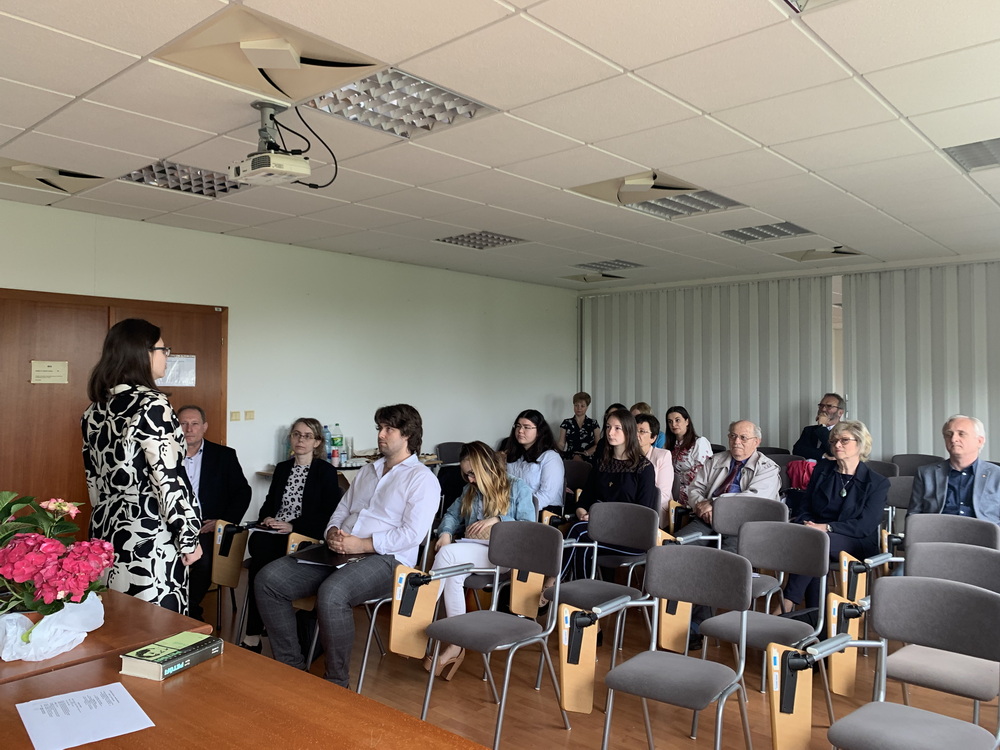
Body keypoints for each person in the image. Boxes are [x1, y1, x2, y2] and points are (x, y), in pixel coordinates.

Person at [255, 404, 439, 688]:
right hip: (341, 549)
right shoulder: (367, 471)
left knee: (333, 594)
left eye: (389, 429)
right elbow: (341, 510)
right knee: (268, 579)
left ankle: (337, 683)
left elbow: (412, 534)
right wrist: (331, 532)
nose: (381, 434)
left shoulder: (422, 479)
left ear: (408, 435)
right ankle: (291, 666)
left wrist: (362, 544)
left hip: (388, 559)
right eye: (379, 428)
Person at [82, 318, 202, 613]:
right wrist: (188, 537)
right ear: (142, 353)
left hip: (105, 530)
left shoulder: (94, 410)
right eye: (163, 349)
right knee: (158, 627)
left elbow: (93, 480)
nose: (167, 356)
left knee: (115, 621)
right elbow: (168, 479)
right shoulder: (152, 405)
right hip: (147, 533)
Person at [427, 442, 535, 678]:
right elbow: (451, 515)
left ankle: (422, 610)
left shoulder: (517, 487)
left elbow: (529, 528)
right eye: (466, 474)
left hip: (503, 554)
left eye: (473, 473)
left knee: (447, 555)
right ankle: (456, 643)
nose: (470, 479)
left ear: (487, 466)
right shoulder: (470, 490)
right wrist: (445, 533)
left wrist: (498, 520)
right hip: (474, 551)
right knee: (453, 575)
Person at [240, 417, 341, 652]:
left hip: (305, 536)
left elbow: (328, 514)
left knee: (259, 565)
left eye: (307, 436)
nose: (300, 440)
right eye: (296, 434)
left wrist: (292, 526)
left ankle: (253, 633)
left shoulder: (325, 471)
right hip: (277, 533)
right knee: (259, 544)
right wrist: (267, 518)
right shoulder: (283, 468)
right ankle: (262, 626)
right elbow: (269, 503)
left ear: (317, 442)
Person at [782, 420, 889, 610]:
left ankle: (787, 603)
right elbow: (805, 506)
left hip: (856, 539)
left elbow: (865, 526)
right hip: (817, 534)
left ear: (860, 444)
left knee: (816, 542)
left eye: (844, 440)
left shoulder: (877, 482)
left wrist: (826, 528)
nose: (837, 445)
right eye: (834, 441)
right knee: (814, 545)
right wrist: (806, 523)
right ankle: (815, 615)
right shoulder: (822, 470)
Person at [561, 409, 657, 580]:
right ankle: (579, 591)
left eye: (617, 428)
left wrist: (600, 519)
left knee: (580, 534)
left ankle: (555, 582)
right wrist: (582, 514)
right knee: (582, 540)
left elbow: (643, 514)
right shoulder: (602, 464)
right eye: (608, 427)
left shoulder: (644, 468)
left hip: (631, 535)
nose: (610, 432)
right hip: (599, 530)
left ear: (629, 431)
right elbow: (584, 500)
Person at [177, 404, 252, 622]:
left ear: (204, 427)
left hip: (206, 526)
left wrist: (222, 521)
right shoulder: (165, 455)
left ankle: (187, 609)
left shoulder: (224, 456)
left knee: (204, 561)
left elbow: (242, 492)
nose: (189, 429)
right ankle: (173, 608)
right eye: (183, 424)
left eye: (195, 424)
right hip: (172, 525)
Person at [680, 420, 781, 552]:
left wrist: (714, 503)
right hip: (708, 519)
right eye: (733, 436)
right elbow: (695, 489)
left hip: (744, 523)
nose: (736, 441)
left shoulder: (768, 468)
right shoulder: (715, 460)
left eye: (743, 438)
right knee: (675, 547)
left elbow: (753, 500)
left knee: (728, 559)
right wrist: (704, 509)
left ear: (756, 442)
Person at [908, 415, 1000, 524]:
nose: (953, 439)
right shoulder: (926, 474)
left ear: (979, 441)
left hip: (983, 532)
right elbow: (914, 516)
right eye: (949, 434)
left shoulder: (996, 475)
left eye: (961, 434)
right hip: (938, 531)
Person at [504, 410, 565, 516]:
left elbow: (547, 495)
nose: (520, 431)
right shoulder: (514, 454)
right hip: (513, 509)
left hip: (543, 510)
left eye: (526, 427)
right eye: (518, 426)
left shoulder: (550, 457)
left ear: (539, 432)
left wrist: (520, 509)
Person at [664, 406, 713, 507]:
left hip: (694, 491)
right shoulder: (671, 445)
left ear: (687, 421)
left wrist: (675, 479)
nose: (673, 424)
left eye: (677, 420)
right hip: (673, 489)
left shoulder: (699, 442)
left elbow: (702, 473)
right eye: (670, 422)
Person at [635, 413, 674, 527]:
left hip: (654, 509)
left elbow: (663, 494)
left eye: (642, 431)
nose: (636, 435)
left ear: (653, 438)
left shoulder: (663, 456)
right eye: (634, 431)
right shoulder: (625, 456)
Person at [793, 393, 846, 461]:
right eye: (821, 405)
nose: (823, 409)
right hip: (808, 467)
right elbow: (797, 450)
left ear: (840, 412)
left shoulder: (845, 431)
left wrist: (822, 427)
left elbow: (833, 452)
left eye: (829, 406)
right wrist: (822, 455)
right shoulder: (809, 430)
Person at [559, 392, 600, 461]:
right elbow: (561, 443)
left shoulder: (593, 423)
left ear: (587, 407)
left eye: (582, 406)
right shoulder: (566, 423)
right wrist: (556, 454)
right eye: (576, 405)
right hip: (570, 458)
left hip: (589, 458)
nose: (579, 408)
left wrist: (585, 453)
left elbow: (598, 444)